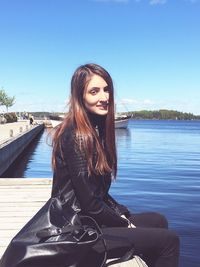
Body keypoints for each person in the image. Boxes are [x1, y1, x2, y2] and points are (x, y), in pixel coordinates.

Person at [51, 63, 180, 267]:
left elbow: (97, 194)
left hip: (89, 222)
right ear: (80, 97)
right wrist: (124, 223)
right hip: (77, 233)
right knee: (169, 241)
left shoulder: (93, 130)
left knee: (158, 220)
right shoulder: (77, 135)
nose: (104, 97)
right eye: (94, 91)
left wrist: (121, 211)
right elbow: (90, 205)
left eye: (107, 89)